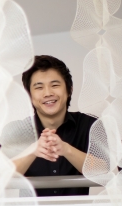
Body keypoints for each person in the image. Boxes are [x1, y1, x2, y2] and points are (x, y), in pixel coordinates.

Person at [12, 55, 96, 196]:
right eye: (39, 87)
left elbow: (104, 170)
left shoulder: (90, 125)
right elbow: (1, 176)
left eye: (55, 85)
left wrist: (66, 149)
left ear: (69, 90)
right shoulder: (16, 131)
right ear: (29, 96)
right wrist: (33, 151)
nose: (48, 93)